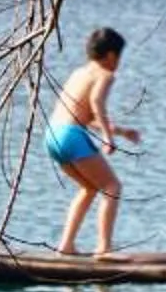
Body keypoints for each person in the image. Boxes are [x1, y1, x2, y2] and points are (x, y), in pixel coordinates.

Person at [47, 25, 141, 257]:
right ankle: (104, 248)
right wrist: (108, 139)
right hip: (71, 135)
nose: (119, 63)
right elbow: (97, 103)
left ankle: (66, 245)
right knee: (112, 187)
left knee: (89, 187)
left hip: (53, 134)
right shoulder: (106, 74)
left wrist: (120, 131)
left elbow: (85, 116)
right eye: (120, 57)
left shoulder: (78, 73)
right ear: (111, 55)